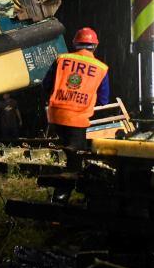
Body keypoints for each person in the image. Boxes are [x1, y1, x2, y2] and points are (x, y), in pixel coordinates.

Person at [44, 27, 110, 200]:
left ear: (75, 43)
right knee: (75, 161)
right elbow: (103, 100)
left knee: (62, 155)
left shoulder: (62, 59)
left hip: (55, 116)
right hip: (78, 120)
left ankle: (59, 193)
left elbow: (46, 84)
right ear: (95, 46)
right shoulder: (101, 68)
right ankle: (61, 197)